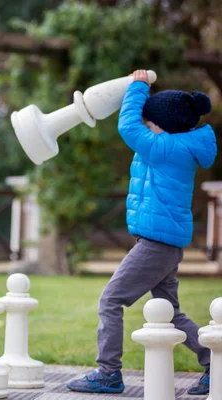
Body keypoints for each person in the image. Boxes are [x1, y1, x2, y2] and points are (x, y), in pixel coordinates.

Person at [67, 69, 216, 395]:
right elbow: (138, 130)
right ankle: (215, 363)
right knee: (169, 312)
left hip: (156, 244)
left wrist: (137, 88)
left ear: (163, 126)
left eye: (151, 123)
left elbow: (127, 126)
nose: (146, 127)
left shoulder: (165, 149)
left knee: (110, 300)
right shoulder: (172, 147)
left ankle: (108, 373)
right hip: (163, 243)